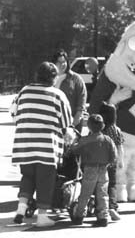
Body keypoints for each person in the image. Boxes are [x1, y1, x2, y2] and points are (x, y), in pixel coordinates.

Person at [11, 62, 74, 227]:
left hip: (24, 145)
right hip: (47, 147)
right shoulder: (57, 95)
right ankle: (43, 217)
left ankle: (20, 209)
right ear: (53, 78)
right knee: (45, 180)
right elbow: (67, 122)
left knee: (28, 176)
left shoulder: (24, 91)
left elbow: (13, 113)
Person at [69, 114, 117, 226]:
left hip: (90, 169)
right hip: (103, 169)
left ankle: (79, 216)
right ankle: (103, 217)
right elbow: (114, 155)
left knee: (85, 193)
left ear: (89, 127)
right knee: (103, 194)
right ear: (103, 125)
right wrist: (109, 163)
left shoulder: (85, 140)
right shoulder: (107, 140)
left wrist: (72, 143)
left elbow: (75, 149)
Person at [52, 49, 87, 180]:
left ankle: (70, 182)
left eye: (64, 61)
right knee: (55, 155)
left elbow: (81, 103)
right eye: (59, 62)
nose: (63, 65)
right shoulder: (49, 79)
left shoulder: (76, 79)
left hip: (72, 123)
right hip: (54, 124)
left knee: (71, 156)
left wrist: (73, 123)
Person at [99, 101, 124, 221]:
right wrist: (120, 160)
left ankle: (99, 206)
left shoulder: (97, 128)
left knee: (100, 184)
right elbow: (120, 147)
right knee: (112, 184)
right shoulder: (116, 129)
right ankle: (112, 206)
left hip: (97, 162)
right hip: (112, 162)